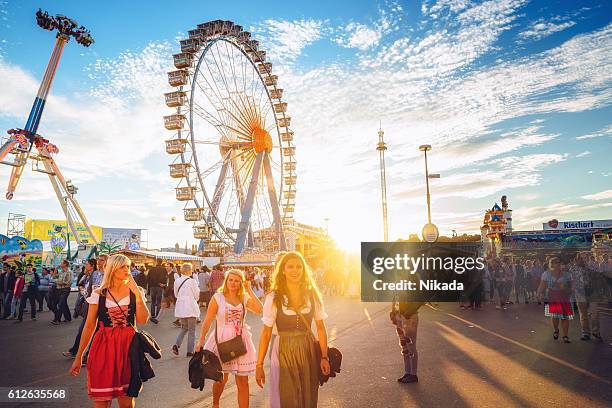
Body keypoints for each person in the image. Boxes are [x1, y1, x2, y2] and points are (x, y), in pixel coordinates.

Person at [69, 254, 150, 406]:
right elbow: (89, 326)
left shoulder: (136, 292)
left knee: (126, 400)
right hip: (103, 346)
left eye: (128, 266)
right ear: (112, 269)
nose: (127, 269)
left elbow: (142, 320)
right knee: (101, 400)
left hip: (129, 348)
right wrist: (79, 356)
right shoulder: (99, 294)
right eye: (122, 266)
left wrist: (138, 296)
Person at [256, 251, 330, 408]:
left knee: (308, 393)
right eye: (290, 267)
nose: (295, 270)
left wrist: (324, 357)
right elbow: (266, 333)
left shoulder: (311, 294)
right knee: (286, 395)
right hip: (283, 349)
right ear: (282, 270)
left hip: (307, 348)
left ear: (304, 270)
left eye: (299, 267)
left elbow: (321, 329)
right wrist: (259, 365)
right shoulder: (274, 297)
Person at [196, 269, 263, 408]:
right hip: (221, 339)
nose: (233, 283)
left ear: (241, 283)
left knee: (243, 382)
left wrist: (249, 290)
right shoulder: (218, 297)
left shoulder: (244, 298)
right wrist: (201, 340)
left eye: (237, 281)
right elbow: (208, 320)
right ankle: (215, 404)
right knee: (221, 378)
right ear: (226, 281)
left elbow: (259, 309)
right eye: (230, 280)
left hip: (240, 341)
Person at [64, 258, 97, 359]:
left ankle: (83, 354)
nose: (85, 266)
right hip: (87, 306)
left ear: (92, 266)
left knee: (85, 331)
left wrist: (85, 291)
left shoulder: (95, 276)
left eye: (87, 264)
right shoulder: (87, 276)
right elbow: (80, 284)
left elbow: (92, 291)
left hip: (93, 307)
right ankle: (78, 352)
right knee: (84, 331)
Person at [537, 257, 573, 343]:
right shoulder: (546, 274)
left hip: (564, 296)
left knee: (565, 316)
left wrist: (566, 287)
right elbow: (542, 285)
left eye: (558, 262)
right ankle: (556, 330)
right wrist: (539, 293)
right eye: (554, 263)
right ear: (551, 264)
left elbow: (572, 287)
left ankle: (565, 335)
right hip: (552, 296)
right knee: (555, 316)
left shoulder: (567, 274)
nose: (557, 264)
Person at [390, 299, 424, 383]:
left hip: (409, 317)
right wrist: (393, 312)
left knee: (411, 345)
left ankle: (413, 374)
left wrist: (409, 312)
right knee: (404, 345)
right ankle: (408, 372)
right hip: (399, 316)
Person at [172, 263, 200, 357]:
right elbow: (197, 295)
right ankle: (190, 351)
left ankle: (176, 344)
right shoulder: (192, 281)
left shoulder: (177, 280)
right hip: (190, 306)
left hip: (181, 307)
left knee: (184, 328)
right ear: (189, 271)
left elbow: (176, 294)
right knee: (192, 329)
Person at [52, 260, 73, 325]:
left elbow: (67, 282)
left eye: (61, 263)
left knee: (60, 304)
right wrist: (55, 270)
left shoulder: (69, 272)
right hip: (60, 289)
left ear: (65, 264)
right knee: (63, 303)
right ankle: (68, 318)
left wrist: (56, 282)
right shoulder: (61, 272)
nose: (60, 264)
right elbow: (54, 277)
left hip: (65, 289)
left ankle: (57, 319)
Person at [147, 259, 167, 324]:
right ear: (161, 262)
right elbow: (165, 278)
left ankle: (152, 315)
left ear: (156, 262)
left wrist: (150, 286)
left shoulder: (152, 269)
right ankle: (157, 316)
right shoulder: (163, 269)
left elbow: (148, 278)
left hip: (152, 287)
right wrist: (163, 285)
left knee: (153, 302)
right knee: (158, 302)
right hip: (160, 287)